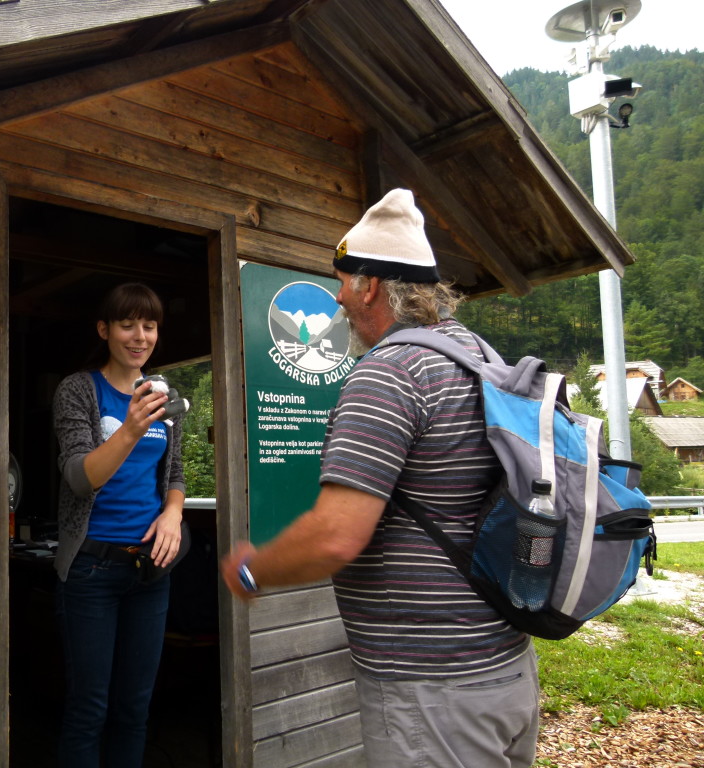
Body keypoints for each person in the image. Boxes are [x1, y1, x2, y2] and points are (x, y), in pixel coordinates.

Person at [220, 189, 539, 768]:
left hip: (431, 689)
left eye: (341, 280)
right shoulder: (480, 357)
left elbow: (335, 537)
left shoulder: (387, 374)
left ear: (369, 285)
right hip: (505, 666)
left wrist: (249, 568)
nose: (337, 298)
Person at [52, 282, 186, 768]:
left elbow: (174, 474)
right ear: (104, 329)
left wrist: (172, 513)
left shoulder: (163, 395)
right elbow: (79, 478)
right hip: (92, 569)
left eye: (149, 325)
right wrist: (130, 428)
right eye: (127, 324)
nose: (140, 336)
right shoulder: (78, 390)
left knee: (134, 709)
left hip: (150, 571)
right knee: (90, 709)